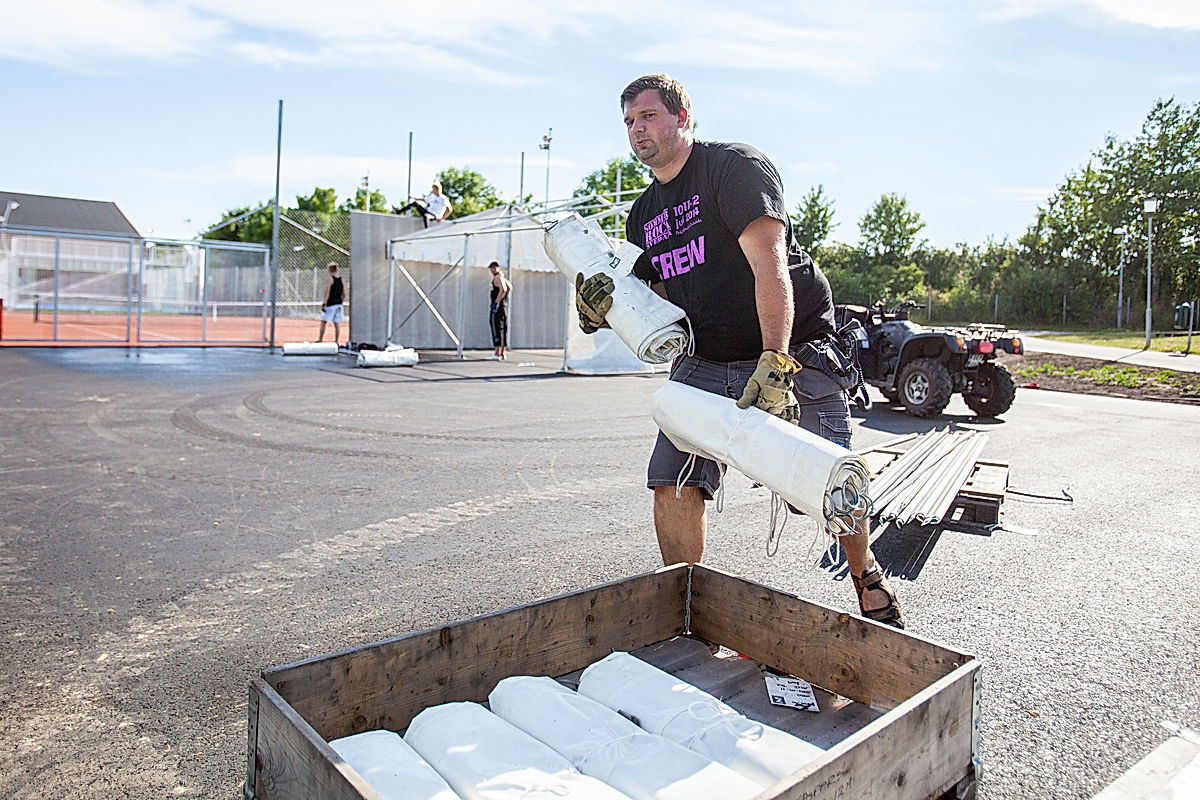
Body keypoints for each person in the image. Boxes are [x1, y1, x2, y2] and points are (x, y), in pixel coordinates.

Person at [575, 74, 904, 628]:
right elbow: (654, 304)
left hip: (793, 349)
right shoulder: (643, 215)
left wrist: (775, 361)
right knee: (671, 478)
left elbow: (768, 264)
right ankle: (687, 610)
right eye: (629, 121)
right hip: (706, 358)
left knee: (829, 484)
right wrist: (601, 310)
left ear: (683, 117)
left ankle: (864, 573)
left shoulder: (732, 168)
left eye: (649, 116)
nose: (637, 130)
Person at [485, 261, 512, 361]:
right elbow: (509, 287)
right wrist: (503, 300)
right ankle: (502, 352)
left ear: (498, 268)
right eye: (491, 268)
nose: (492, 270)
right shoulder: (502, 278)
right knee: (503, 329)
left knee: (497, 328)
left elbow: (504, 289)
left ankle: (497, 353)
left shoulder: (497, 278)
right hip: (503, 307)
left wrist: (496, 302)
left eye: (494, 267)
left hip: (498, 308)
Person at [318, 262, 345, 346]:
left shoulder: (330, 279)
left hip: (331, 304)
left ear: (330, 270)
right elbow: (344, 293)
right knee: (337, 323)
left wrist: (324, 303)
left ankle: (320, 339)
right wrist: (341, 302)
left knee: (323, 321)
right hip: (338, 304)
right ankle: (336, 341)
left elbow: (327, 292)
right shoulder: (341, 279)